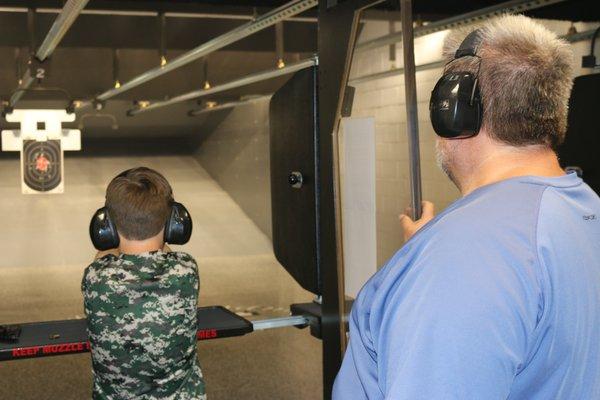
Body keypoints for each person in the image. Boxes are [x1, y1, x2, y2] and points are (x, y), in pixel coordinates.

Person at [333, 15, 600, 399]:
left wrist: (445, 258)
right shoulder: (583, 207)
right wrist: (436, 250)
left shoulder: (465, 258)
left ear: (453, 110)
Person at [81, 167, 206, 400]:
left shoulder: (96, 277)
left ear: (106, 224)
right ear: (173, 221)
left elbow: (102, 257)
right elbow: (164, 253)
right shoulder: (186, 270)